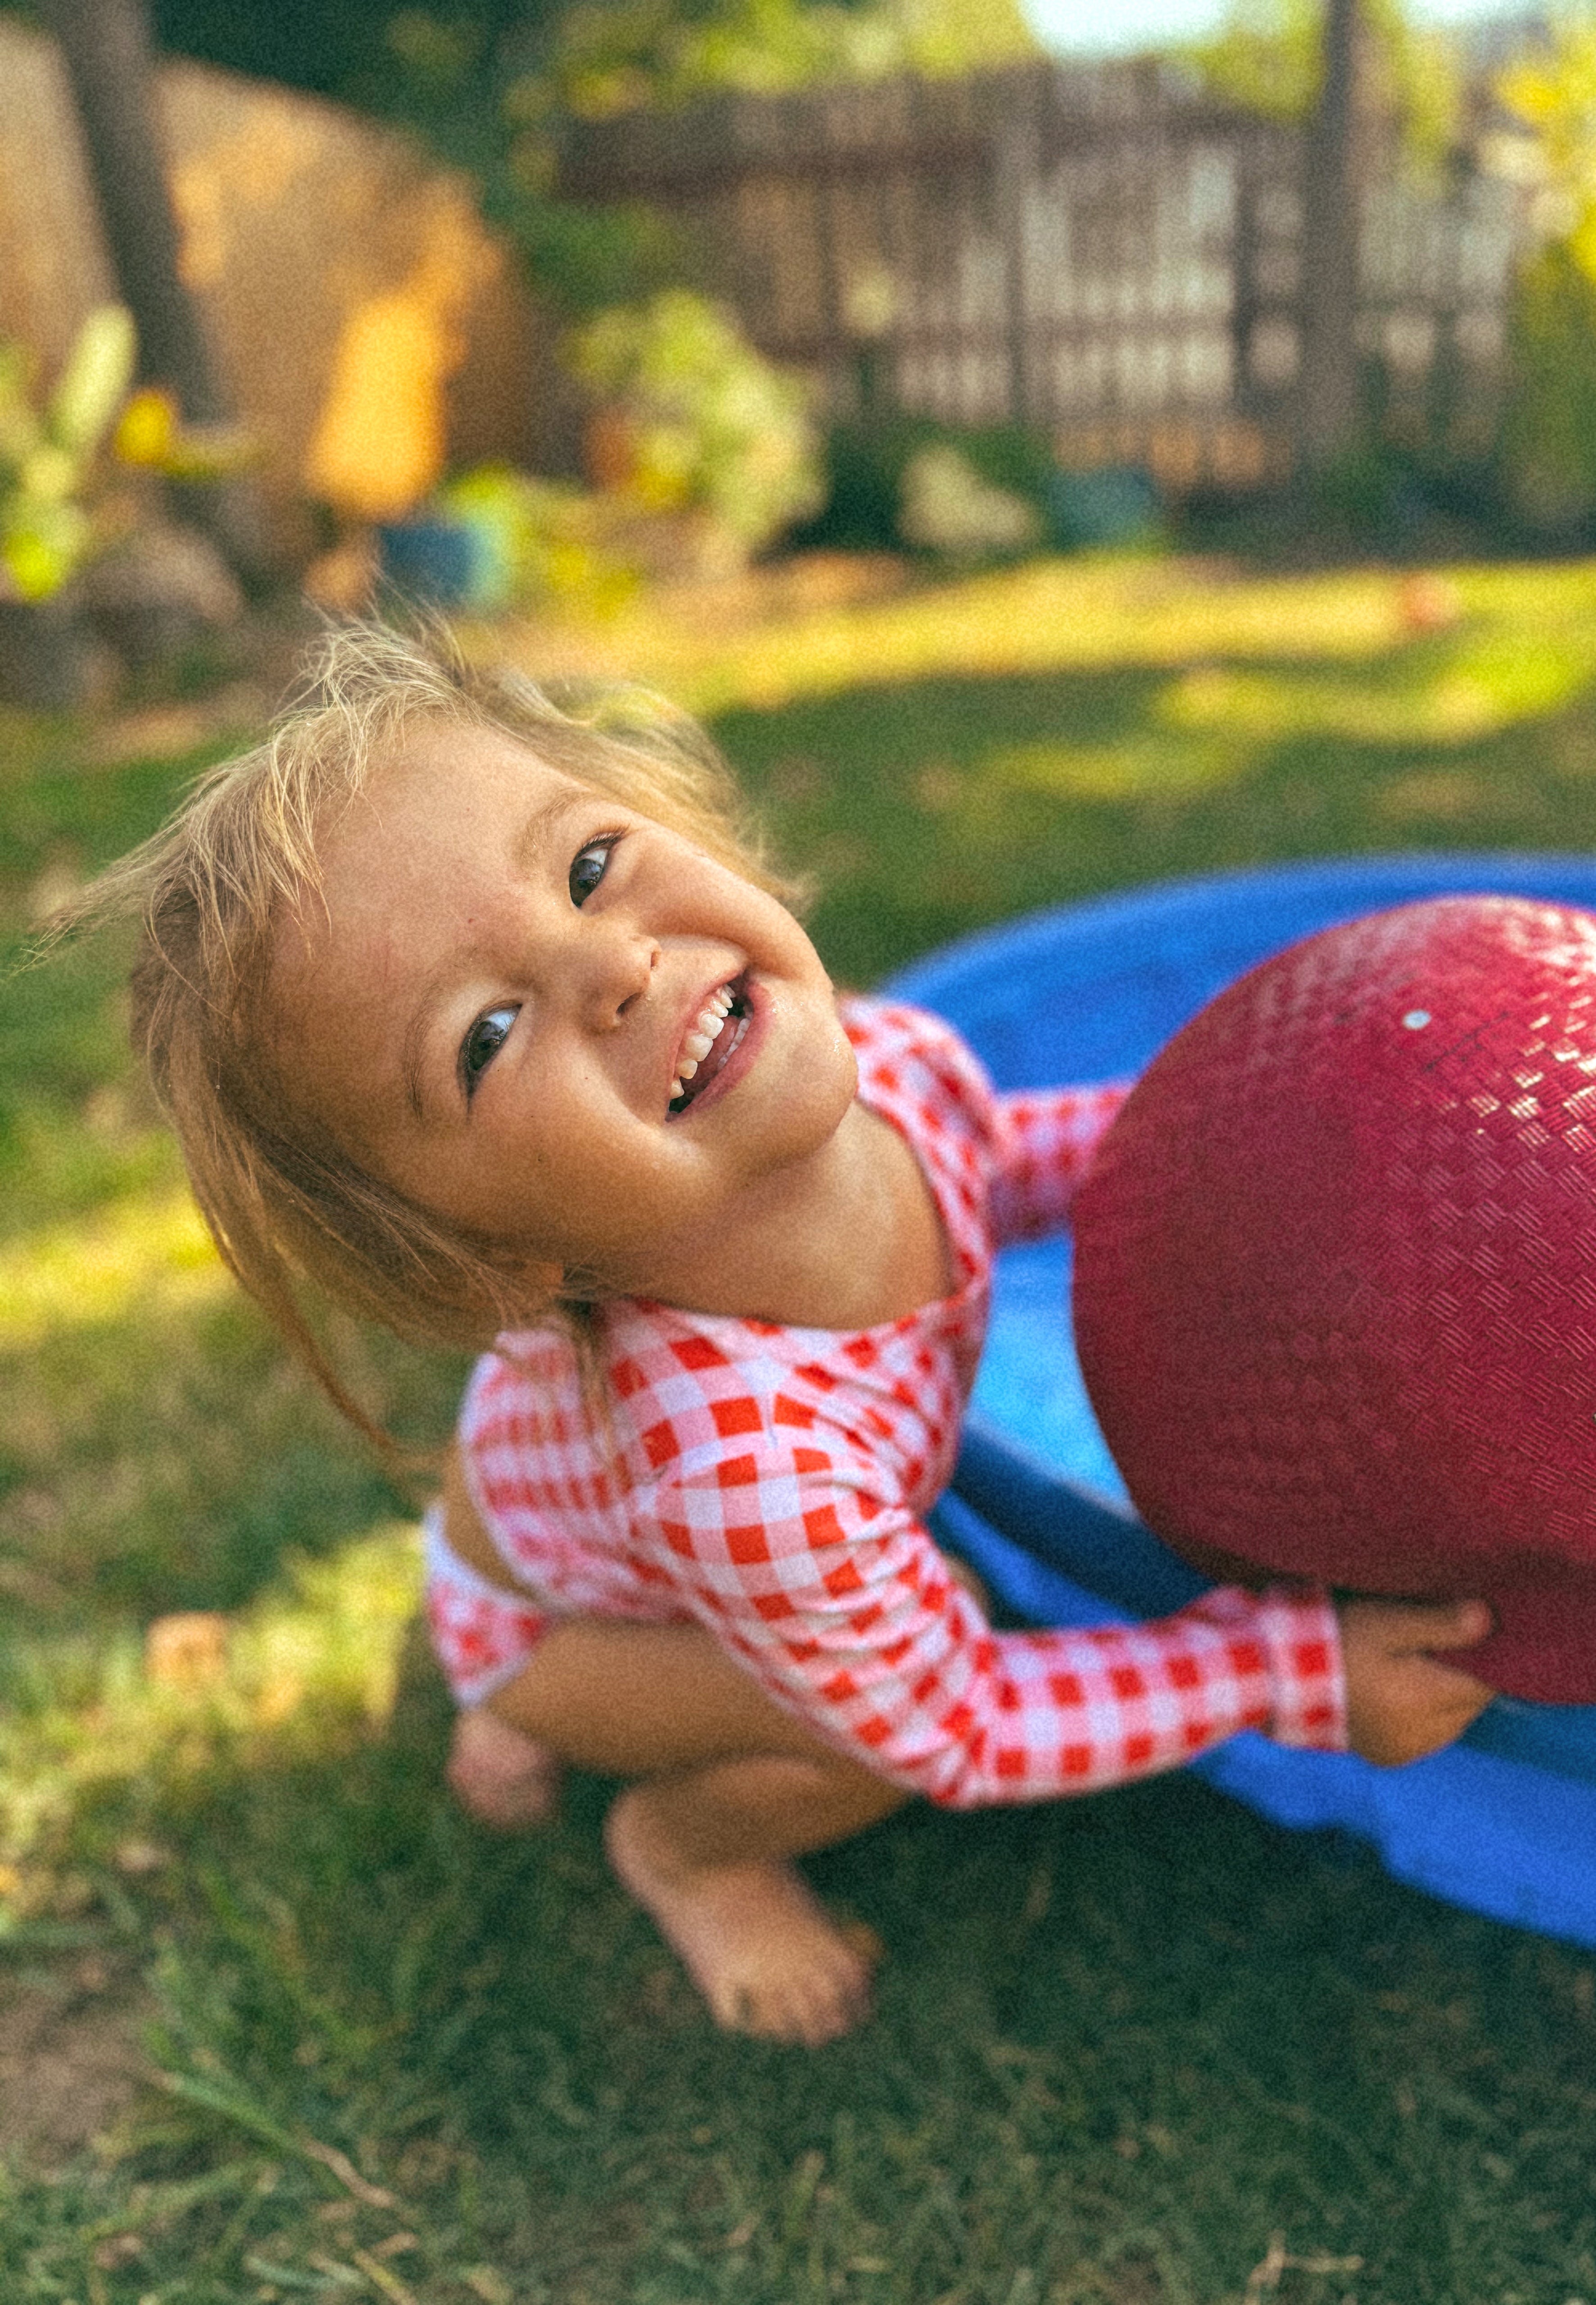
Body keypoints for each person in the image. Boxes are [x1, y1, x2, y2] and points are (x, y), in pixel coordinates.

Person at [76, 624, 1494, 2048]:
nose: (609, 966)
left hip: (549, 1514)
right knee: (846, 1735)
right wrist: (1281, 1669)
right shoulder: (756, 1472)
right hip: (559, 1622)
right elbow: (961, 1719)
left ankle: (509, 1698)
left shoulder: (884, 1057)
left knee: (765, 1609)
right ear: (495, 1254)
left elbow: (996, 1158)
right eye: (490, 1034)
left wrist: (1245, 1135)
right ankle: (675, 1842)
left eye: (585, 868)